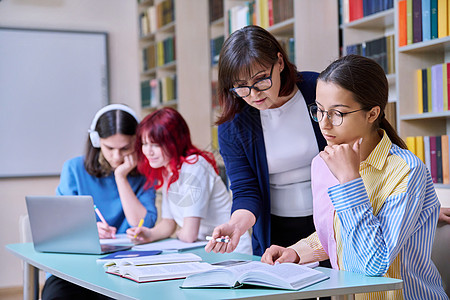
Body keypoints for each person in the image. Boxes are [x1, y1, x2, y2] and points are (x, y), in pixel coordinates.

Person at [261, 55, 448, 299]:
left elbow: (374, 264)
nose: (324, 125)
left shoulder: (406, 170)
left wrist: (350, 180)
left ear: (372, 114)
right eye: (319, 110)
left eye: (337, 113)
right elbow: (337, 231)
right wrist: (297, 252)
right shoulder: (322, 163)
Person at [204, 25, 327, 257]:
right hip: (276, 231)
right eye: (241, 87)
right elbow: (246, 190)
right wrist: (236, 225)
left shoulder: (319, 90)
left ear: (279, 62)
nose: (254, 94)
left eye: (261, 80)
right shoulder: (233, 124)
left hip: (332, 220)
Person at [42, 104, 157, 300]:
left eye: (125, 148)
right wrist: (89, 231)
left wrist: (121, 178)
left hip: (125, 265)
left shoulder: (145, 173)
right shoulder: (74, 169)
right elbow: (60, 227)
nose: (116, 156)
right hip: (75, 265)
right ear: (96, 141)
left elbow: (143, 225)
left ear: (136, 143)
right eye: (109, 148)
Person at [127, 107, 252, 254]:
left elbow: (189, 235)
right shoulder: (169, 169)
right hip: (204, 250)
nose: (148, 151)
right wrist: (149, 234)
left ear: (174, 141)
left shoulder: (194, 165)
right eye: (144, 144)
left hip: (230, 252)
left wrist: (181, 233)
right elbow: (169, 223)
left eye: (155, 144)